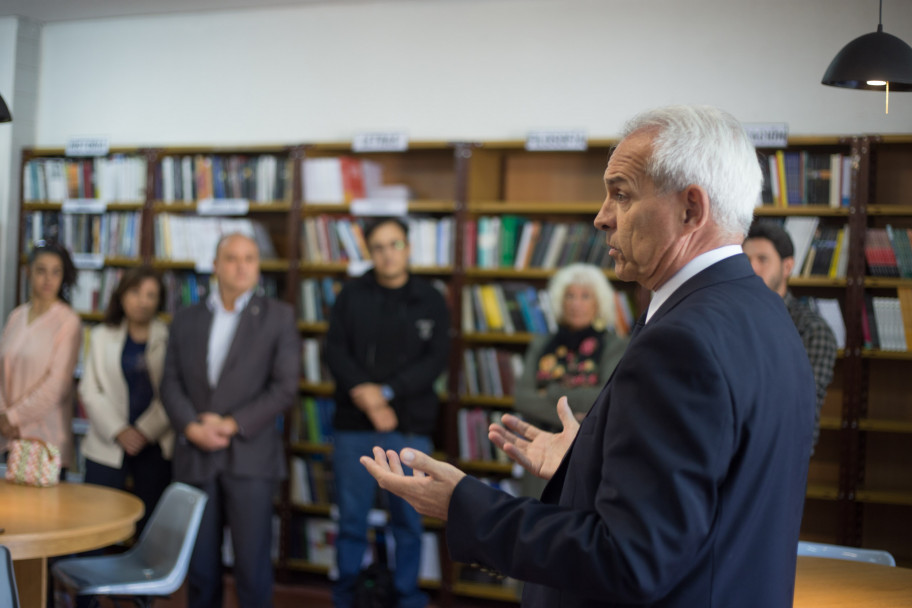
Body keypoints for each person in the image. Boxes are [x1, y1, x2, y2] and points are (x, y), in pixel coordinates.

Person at [360, 105, 817, 607]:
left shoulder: (681, 341)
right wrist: (585, 463)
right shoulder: (766, 315)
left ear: (691, 209)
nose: (601, 216)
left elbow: (629, 559)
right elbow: (708, 499)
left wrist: (466, 505)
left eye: (621, 194)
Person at [161, 233, 299, 608]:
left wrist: (231, 424)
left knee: (252, 569)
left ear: (257, 266)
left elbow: (285, 387)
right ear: (216, 265)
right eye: (232, 258)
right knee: (201, 569)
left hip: (249, 457)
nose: (241, 266)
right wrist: (190, 426)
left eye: (250, 258)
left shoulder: (278, 317)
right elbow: (170, 382)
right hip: (195, 454)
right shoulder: (186, 318)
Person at [325, 217, 450, 608]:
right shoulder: (351, 295)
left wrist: (387, 392)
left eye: (394, 244)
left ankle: (406, 595)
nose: (387, 253)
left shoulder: (430, 298)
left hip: (409, 427)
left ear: (408, 248)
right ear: (369, 252)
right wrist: (369, 398)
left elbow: (435, 360)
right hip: (353, 426)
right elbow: (335, 351)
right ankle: (344, 595)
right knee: (350, 520)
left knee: (409, 522)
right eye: (378, 247)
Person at [513, 262, 628, 497]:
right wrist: (575, 415)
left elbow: (605, 398)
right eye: (569, 296)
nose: (576, 304)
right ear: (559, 301)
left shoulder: (614, 346)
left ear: (599, 303)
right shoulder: (541, 344)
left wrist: (552, 392)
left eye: (585, 296)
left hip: (590, 450)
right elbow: (523, 398)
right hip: (541, 447)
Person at [78, 266, 173, 535]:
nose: (143, 301)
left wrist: (144, 431)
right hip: (108, 441)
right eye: (135, 292)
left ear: (160, 300)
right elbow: (89, 390)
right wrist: (119, 430)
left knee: (151, 527)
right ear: (121, 296)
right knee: (97, 525)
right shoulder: (100, 336)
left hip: (154, 442)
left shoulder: (170, 338)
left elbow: (174, 392)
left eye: (151, 295)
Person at [743, 220, 838, 450]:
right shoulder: (733, 320)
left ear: (787, 267)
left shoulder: (812, 330)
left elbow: (800, 406)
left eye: (762, 259)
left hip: (785, 452)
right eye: (746, 260)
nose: (752, 268)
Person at [0, 240, 81, 476]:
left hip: (46, 441)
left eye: (56, 272)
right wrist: (3, 415)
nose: (48, 279)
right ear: (28, 272)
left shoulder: (68, 322)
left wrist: (13, 417)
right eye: (41, 270)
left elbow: (57, 386)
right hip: (8, 436)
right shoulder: (16, 316)